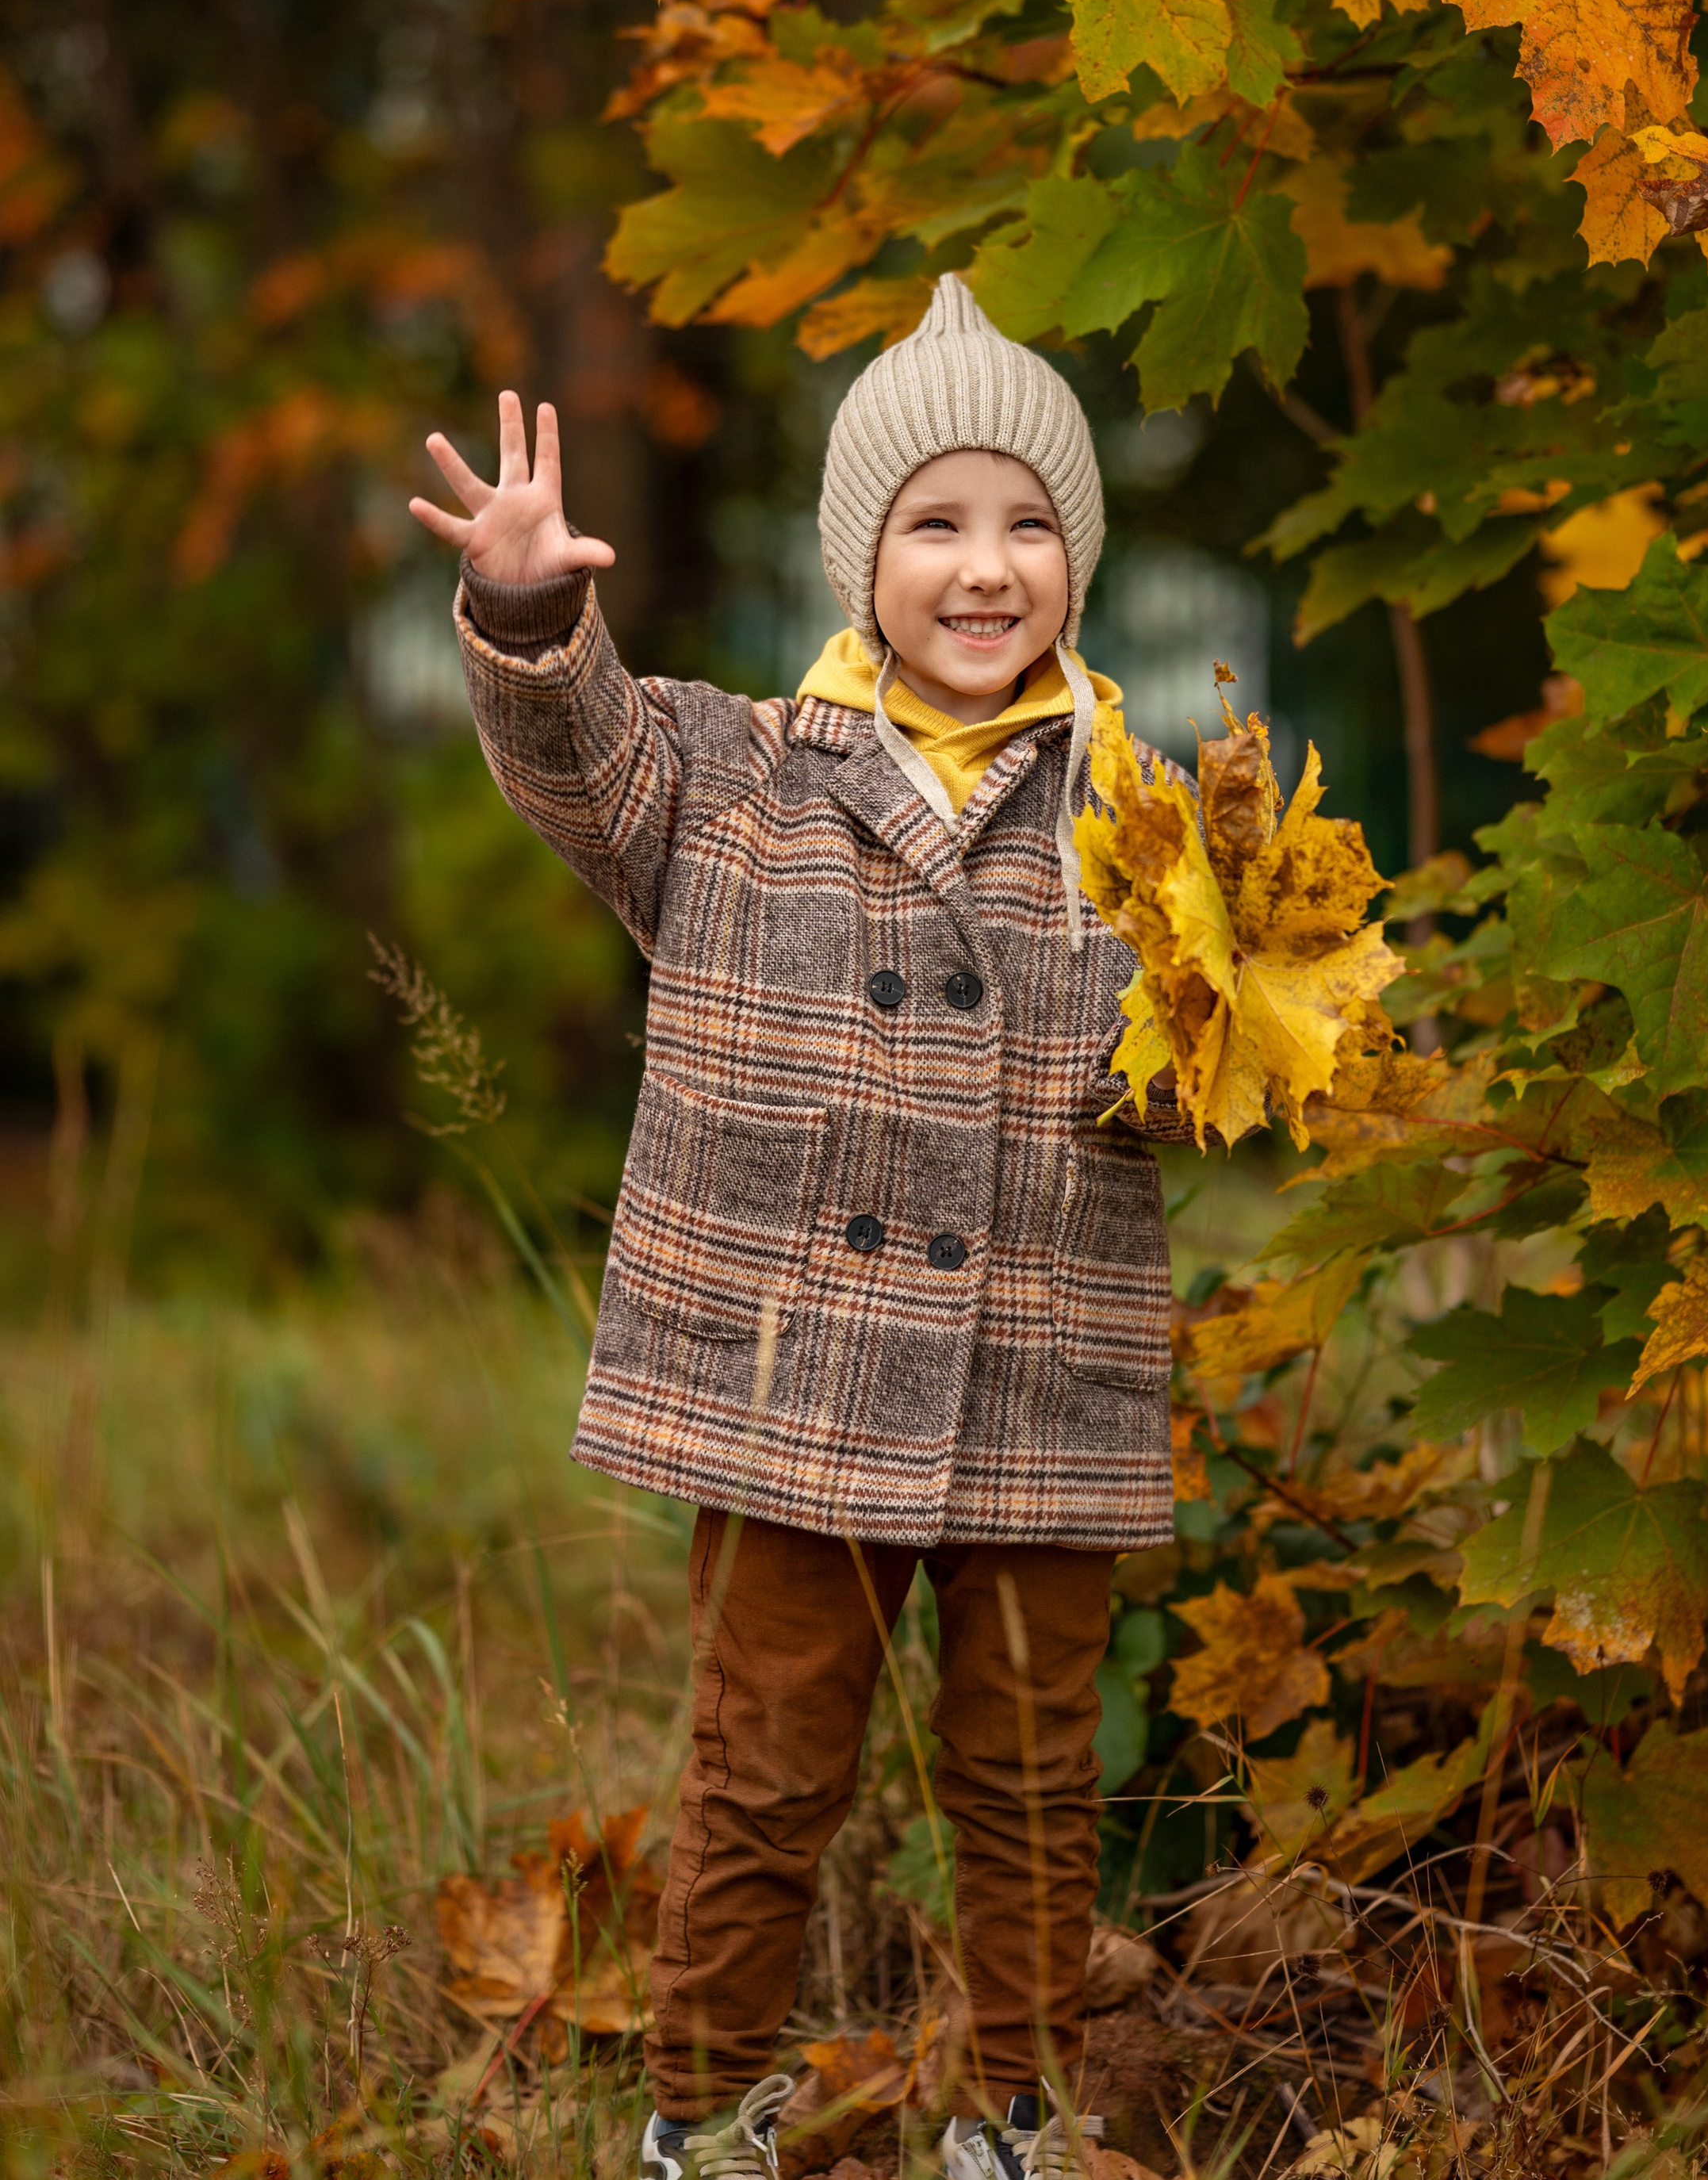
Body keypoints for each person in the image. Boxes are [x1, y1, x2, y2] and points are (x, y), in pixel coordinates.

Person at [412, 277, 1190, 2180]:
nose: (985, 567)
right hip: (795, 1392)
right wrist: (529, 606)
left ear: (1076, 566)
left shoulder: (1150, 818)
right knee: (764, 1771)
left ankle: (1013, 2113)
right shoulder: (742, 772)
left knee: (1025, 1779)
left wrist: (1218, 1037)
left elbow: (1206, 1073)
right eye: (937, 522)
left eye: (1028, 526)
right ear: (866, 560)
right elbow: (575, 754)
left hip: (1038, 1382)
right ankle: (702, 2111)